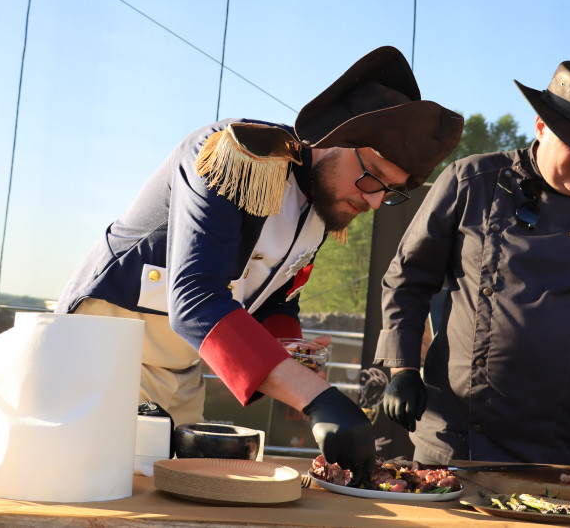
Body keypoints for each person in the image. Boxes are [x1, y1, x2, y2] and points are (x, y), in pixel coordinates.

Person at [57, 46, 464, 482]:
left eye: (392, 191)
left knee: (172, 497)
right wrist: (315, 397)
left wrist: (296, 361)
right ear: (332, 140)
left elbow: (275, 302)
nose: (374, 200)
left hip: (180, 369)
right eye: (372, 177)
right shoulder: (239, 153)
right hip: (104, 348)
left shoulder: (325, 203)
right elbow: (194, 298)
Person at [374, 60, 570, 468]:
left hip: (568, 445)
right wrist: (402, 367)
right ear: (541, 127)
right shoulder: (471, 182)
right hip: (458, 434)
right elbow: (408, 278)